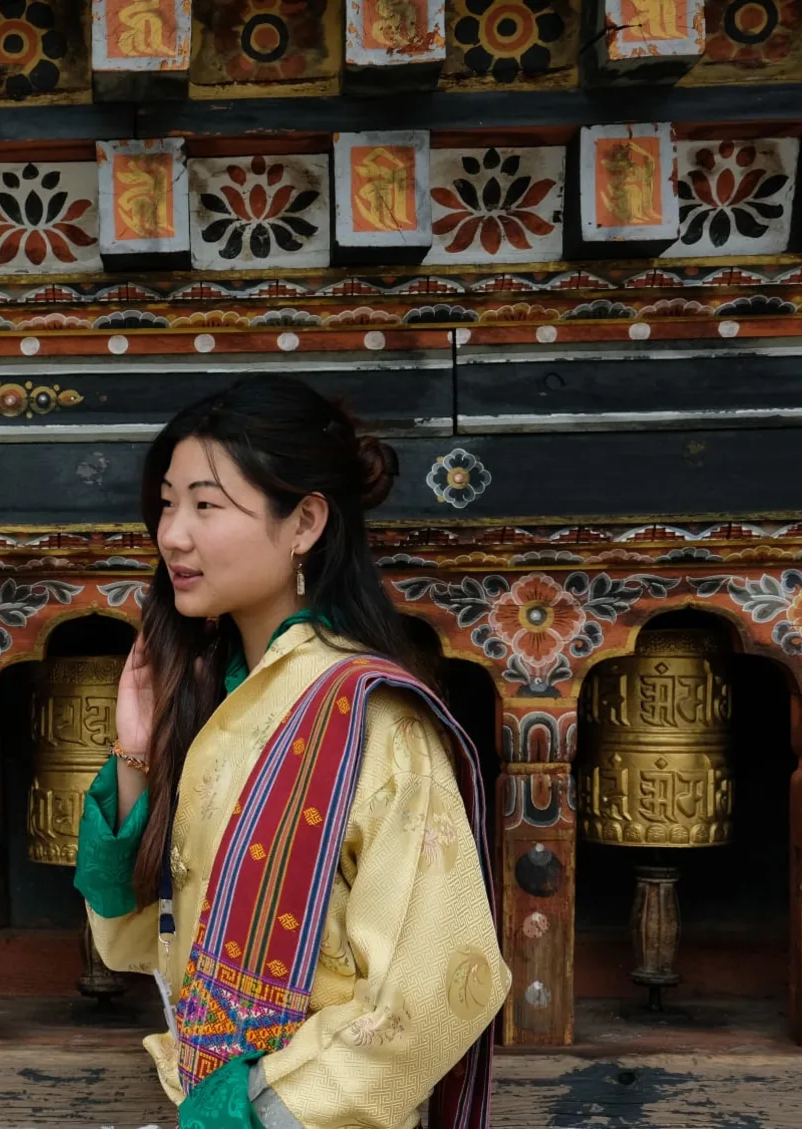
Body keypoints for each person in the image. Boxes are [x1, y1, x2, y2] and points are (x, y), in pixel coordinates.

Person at [73, 376, 508, 1129]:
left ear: (305, 520)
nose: (173, 533)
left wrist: (246, 1113)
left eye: (207, 505)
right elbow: (136, 941)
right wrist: (137, 755)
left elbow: (437, 988)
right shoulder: (219, 704)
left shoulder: (374, 720)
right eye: (169, 502)